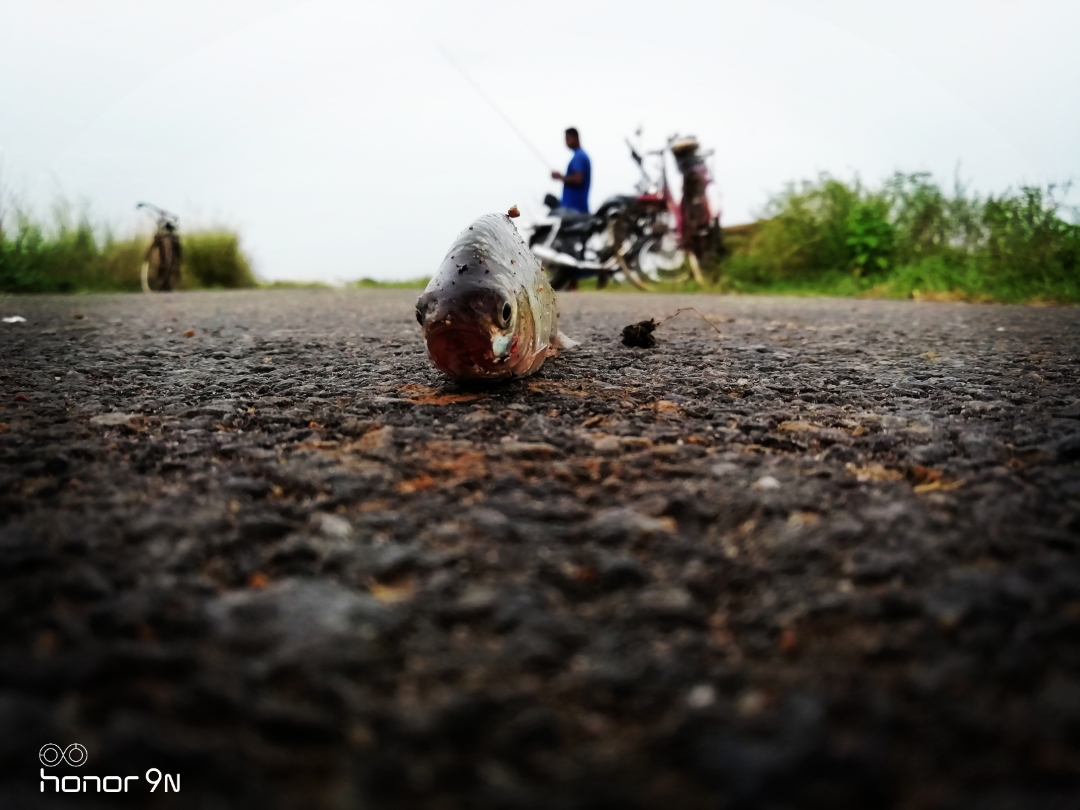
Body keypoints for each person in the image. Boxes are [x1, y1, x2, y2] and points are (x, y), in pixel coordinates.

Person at [551, 127, 591, 214]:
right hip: (574, 208)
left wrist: (560, 177)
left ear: (575, 138)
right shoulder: (580, 155)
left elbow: (578, 179)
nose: (566, 142)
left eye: (567, 139)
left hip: (574, 209)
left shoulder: (579, 157)